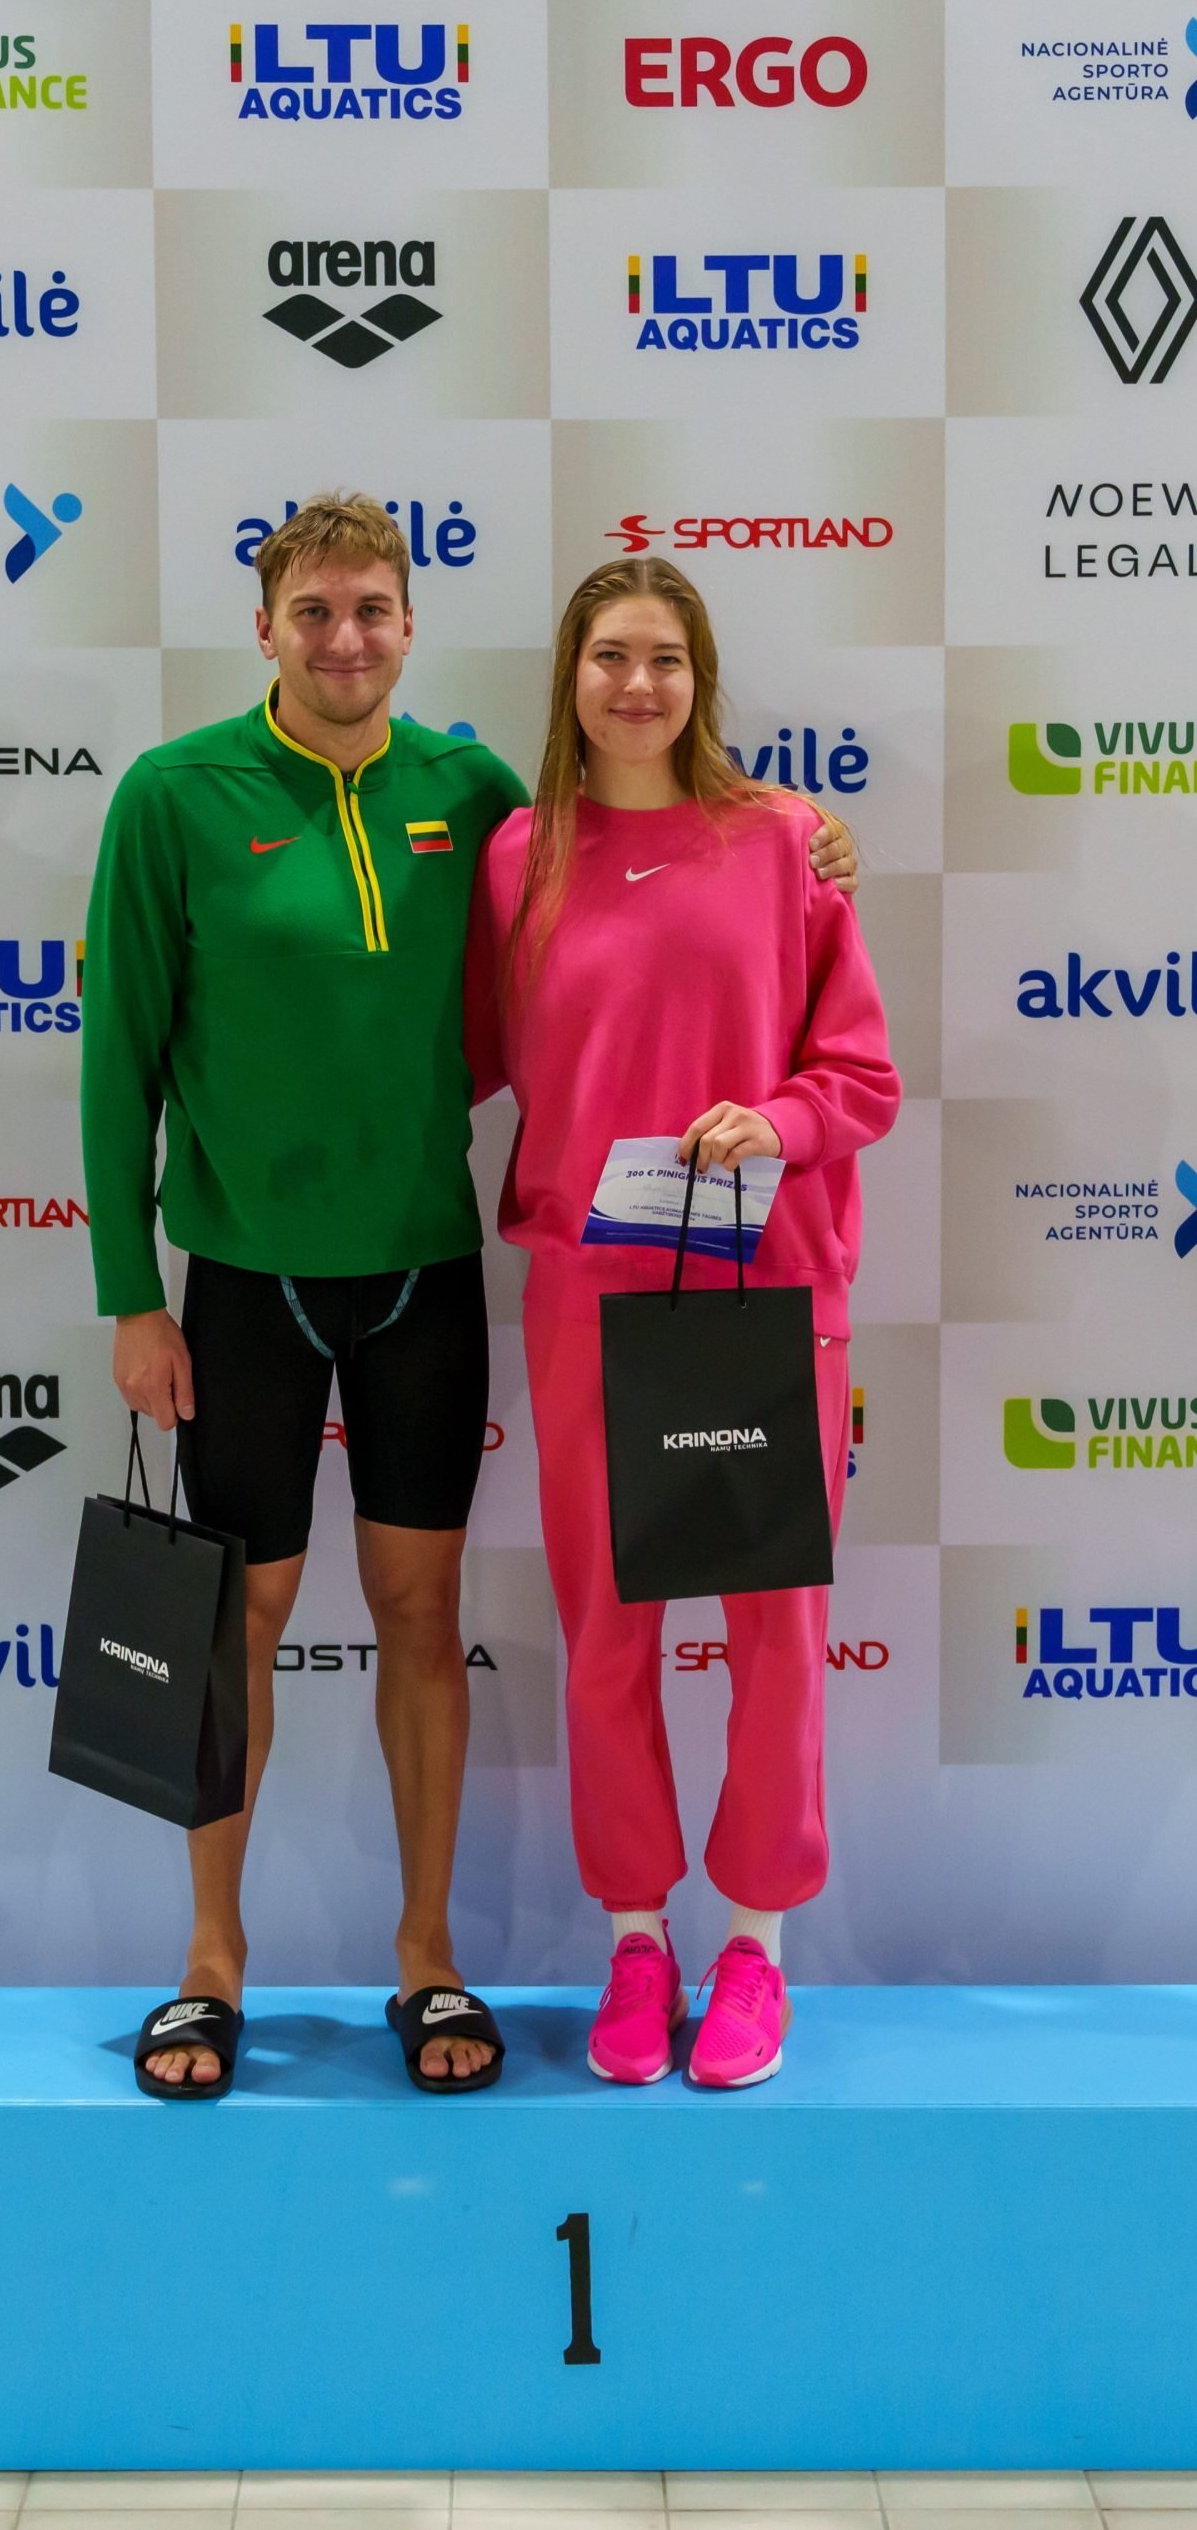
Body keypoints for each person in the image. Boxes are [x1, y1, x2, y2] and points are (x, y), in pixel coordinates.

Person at [80, 493, 860, 2098]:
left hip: (473, 1279)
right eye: (315, 611)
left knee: (444, 1623)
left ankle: (454, 1959)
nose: (345, 638)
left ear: (412, 625)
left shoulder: (491, 801)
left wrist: (812, 846)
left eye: (372, 609)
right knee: (247, 1630)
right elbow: (119, 1062)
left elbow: (769, 1025)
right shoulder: (194, 796)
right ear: (267, 626)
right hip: (258, 1284)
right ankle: (214, 1966)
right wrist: (128, 1292)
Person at [464, 555, 899, 2091]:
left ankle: (756, 1949)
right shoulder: (517, 856)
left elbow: (862, 1079)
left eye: (664, 657)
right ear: (570, 677)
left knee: (775, 1637)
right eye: (609, 657)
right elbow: (458, 1058)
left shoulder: (784, 842)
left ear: (700, 677)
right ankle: (638, 1941)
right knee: (608, 1634)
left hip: (764, 1287)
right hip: (593, 1295)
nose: (637, 684)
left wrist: (777, 1121)